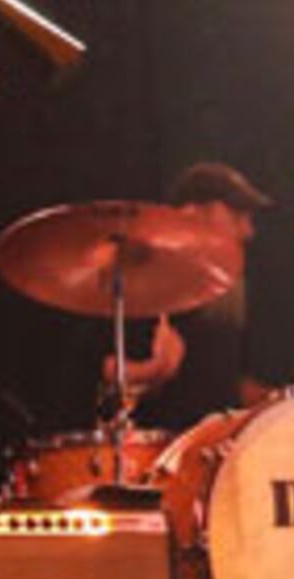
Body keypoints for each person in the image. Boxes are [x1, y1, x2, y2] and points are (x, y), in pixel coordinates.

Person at [100, 160, 274, 435]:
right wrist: (152, 371)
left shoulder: (230, 294)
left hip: (219, 452)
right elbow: (101, 374)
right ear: (193, 214)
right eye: (237, 216)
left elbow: (231, 386)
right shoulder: (146, 281)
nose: (248, 231)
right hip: (161, 457)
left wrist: (291, 404)